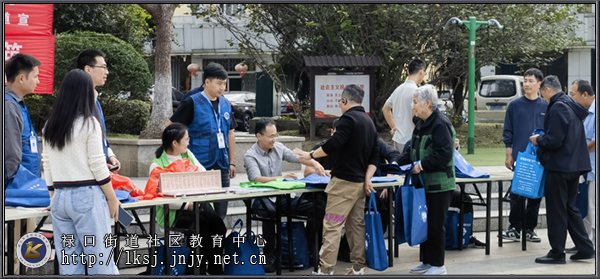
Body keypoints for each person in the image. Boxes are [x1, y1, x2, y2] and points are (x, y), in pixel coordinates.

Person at [294, 84, 379, 275]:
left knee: (332, 226)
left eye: (340, 102)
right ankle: (358, 268)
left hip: (343, 185)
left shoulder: (347, 119)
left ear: (344, 101)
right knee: (356, 227)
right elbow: (375, 156)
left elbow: (334, 143)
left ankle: (325, 270)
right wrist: (367, 179)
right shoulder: (369, 122)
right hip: (359, 184)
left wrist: (310, 155)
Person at [41, 69, 120, 275]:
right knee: (100, 261)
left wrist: (53, 196)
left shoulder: (50, 125)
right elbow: (97, 165)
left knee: (69, 263)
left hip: (59, 197)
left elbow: (47, 163)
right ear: (85, 92)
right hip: (87, 196)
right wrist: (112, 198)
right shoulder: (89, 123)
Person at [304, 118, 398, 263]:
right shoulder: (323, 148)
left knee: (381, 205)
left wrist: (389, 175)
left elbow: (391, 156)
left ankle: (360, 253)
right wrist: (323, 171)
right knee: (320, 209)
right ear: (332, 133)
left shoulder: (365, 143)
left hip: (362, 191)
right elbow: (307, 170)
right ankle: (318, 256)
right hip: (330, 194)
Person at [243, 117, 326, 272]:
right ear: (259, 136)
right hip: (262, 198)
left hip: (282, 197)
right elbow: (256, 178)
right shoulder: (250, 155)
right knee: (270, 212)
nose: (274, 139)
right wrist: (281, 178)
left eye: (276, 135)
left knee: (317, 207)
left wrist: (314, 163)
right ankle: (270, 253)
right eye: (271, 136)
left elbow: (298, 158)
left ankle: (310, 249)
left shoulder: (278, 147)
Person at [530, 75, 595, 264]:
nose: (542, 96)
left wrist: (538, 140)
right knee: (569, 208)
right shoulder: (571, 104)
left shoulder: (558, 107)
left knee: (557, 210)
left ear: (548, 90)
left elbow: (555, 140)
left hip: (560, 166)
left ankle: (557, 252)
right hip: (575, 165)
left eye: (542, 92)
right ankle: (585, 247)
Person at [149, 123, 226, 275]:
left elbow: (203, 173)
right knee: (201, 225)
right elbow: (161, 198)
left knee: (218, 225)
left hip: (197, 202)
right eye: (186, 139)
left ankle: (215, 267)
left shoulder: (187, 155)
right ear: (175, 143)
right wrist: (186, 206)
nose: (189, 142)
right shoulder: (157, 165)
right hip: (173, 210)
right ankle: (196, 270)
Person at [396, 84, 455, 275]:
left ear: (427, 103)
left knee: (436, 225)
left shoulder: (440, 123)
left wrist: (422, 165)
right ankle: (427, 261)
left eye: (415, 102)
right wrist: (396, 163)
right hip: (423, 184)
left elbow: (444, 154)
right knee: (424, 222)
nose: (413, 106)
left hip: (440, 184)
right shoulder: (420, 123)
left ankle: (439, 265)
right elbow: (411, 152)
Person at [169, 62, 237, 219]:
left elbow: (230, 133)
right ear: (207, 82)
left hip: (221, 164)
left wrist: (231, 162)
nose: (222, 88)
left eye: (224, 84)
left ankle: (217, 243)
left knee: (220, 213)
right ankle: (200, 243)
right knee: (202, 212)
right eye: (219, 83)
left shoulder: (226, 104)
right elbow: (170, 129)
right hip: (199, 165)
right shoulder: (192, 102)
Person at [501, 68, 546, 242]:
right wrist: (508, 154)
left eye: (530, 81)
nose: (527, 84)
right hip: (520, 157)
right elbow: (508, 131)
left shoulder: (546, 105)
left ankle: (529, 229)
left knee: (536, 194)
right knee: (517, 193)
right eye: (525, 81)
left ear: (539, 84)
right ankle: (514, 227)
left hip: (540, 159)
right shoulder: (514, 105)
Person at [75, 49, 121, 171]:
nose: (107, 72)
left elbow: (100, 136)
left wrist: (110, 155)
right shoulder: (78, 102)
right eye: (103, 67)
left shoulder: (94, 100)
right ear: (88, 69)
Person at [567, 79, 596, 251]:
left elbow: (594, 142)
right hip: (585, 168)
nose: (571, 99)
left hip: (593, 169)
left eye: (573, 95)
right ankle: (583, 243)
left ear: (584, 94)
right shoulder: (584, 112)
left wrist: (574, 150)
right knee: (584, 207)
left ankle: (590, 244)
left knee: (592, 208)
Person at [4, 54, 42, 187]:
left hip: (27, 184)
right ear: (21, 78)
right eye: (35, 76)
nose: (38, 81)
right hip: (17, 188)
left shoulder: (17, 103)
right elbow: (10, 155)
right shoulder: (9, 106)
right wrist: (13, 188)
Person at [382, 59, 426, 151]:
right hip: (410, 141)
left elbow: (385, 109)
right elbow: (415, 116)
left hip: (397, 139)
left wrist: (394, 127)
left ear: (408, 71)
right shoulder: (416, 91)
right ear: (421, 71)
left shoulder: (398, 89)